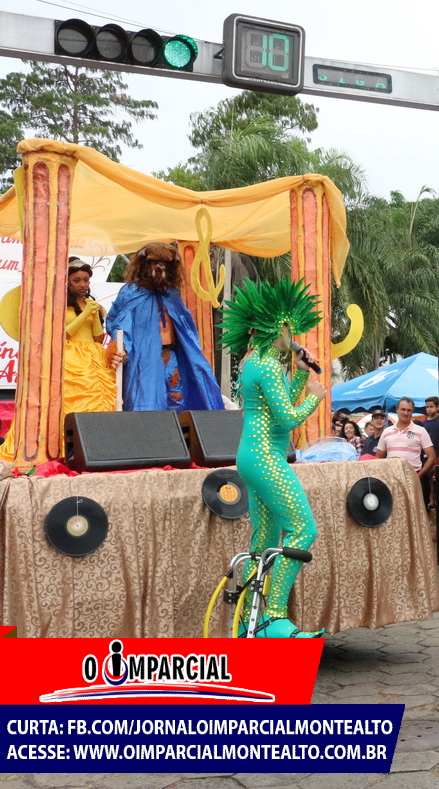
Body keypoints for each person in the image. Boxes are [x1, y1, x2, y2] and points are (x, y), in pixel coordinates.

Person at [219, 277, 326, 638]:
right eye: (288, 328)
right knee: (303, 528)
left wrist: (300, 373)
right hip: (265, 457)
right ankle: (274, 616)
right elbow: (287, 419)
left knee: (264, 540)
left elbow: (278, 412)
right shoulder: (265, 364)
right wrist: (315, 398)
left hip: (256, 454)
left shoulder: (258, 361)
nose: (292, 335)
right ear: (273, 327)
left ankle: (249, 622)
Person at [106, 242, 224, 412]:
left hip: (171, 356)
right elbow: (120, 324)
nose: (160, 267)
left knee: (178, 402)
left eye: (166, 263)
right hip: (143, 360)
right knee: (145, 404)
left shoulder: (172, 294)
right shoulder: (130, 293)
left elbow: (186, 329)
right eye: (155, 262)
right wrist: (121, 347)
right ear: (144, 264)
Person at [62, 257, 117, 414]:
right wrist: (84, 314)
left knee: (100, 393)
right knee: (76, 395)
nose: (83, 284)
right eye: (77, 280)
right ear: (67, 282)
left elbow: (98, 339)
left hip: (94, 355)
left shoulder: (94, 305)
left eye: (86, 280)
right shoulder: (60, 305)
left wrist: (94, 316)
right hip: (70, 356)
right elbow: (63, 335)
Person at [376, 397, 437, 503]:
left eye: (409, 410)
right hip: (392, 479)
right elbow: (378, 457)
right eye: (403, 409)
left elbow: (432, 457)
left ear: (412, 412)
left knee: (414, 510)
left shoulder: (420, 431)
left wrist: (418, 476)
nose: (406, 413)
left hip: (413, 478)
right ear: (397, 410)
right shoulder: (386, 432)